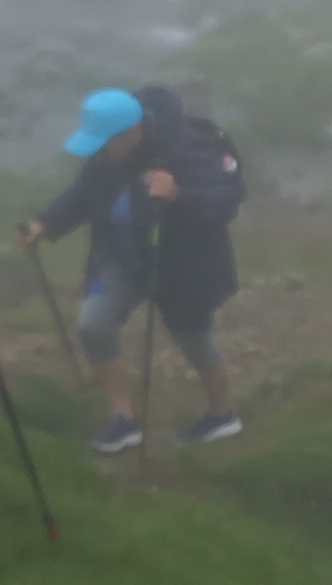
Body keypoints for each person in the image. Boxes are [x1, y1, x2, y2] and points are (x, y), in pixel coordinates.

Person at [18, 86, 246, 455]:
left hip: (182, 263)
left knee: (193, 338)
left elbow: (223, 202)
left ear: (130, 133)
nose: (98, 152)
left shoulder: (184, 148)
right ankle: (122, 419)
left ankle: (222, 415)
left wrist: (177, 195)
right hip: (123, 255)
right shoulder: (108, 154)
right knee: (93, 325)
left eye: (104, 143)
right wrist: (45, 224)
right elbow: (84, 192)